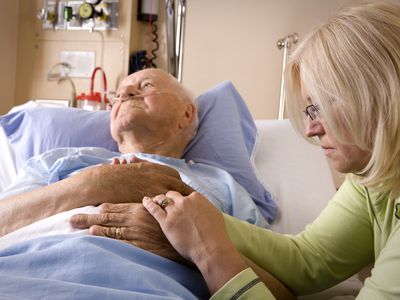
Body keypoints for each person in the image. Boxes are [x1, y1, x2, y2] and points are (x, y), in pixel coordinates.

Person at [92, 2, 399, 299]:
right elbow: (310, 260)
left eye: (317, 108)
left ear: (376, 93)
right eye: (309, 111)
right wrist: (195, 218)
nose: (311, 129)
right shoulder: (375, 178)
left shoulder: (220, 184)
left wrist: (207, 250)